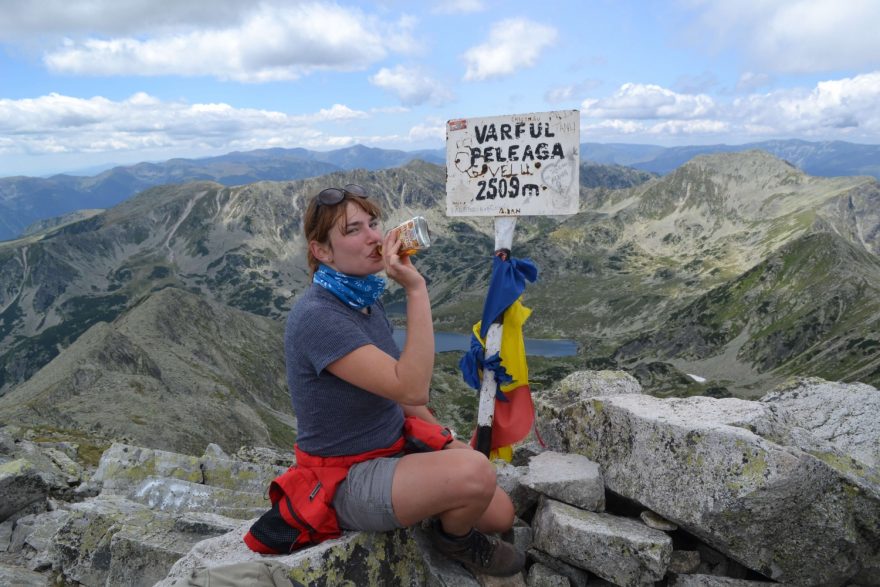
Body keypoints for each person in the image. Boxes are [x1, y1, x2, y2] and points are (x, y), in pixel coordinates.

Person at [283, 184, 524, 577]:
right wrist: (416, 289)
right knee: (477, 475)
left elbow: (403, 400)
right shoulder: (318, 317)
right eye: (353, 230)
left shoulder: (363, 298)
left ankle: (430, 501)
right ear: (321, 251)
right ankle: (453, 541)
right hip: (346, 477)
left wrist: (447, 439)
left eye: (373, 223)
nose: (374, 237)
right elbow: (410, 386)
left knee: (499, 512)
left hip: (394, 444)